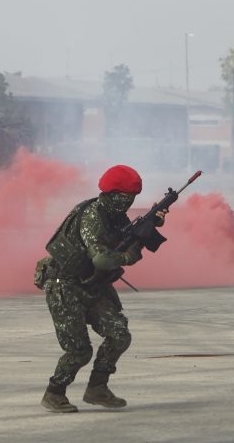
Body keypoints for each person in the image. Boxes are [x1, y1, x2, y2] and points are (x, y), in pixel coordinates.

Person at [36, 164, 167, 413]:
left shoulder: (115, 215)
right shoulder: (92, 216)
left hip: (93, 283)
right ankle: (54, 392)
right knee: (79, 351)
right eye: (126, 198)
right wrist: (128, 258)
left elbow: (124, 239)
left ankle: (97, 388)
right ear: (113, 195)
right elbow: (102, 260)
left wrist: (149, 229)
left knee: (119, 334)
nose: (128, 204)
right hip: (65, 283)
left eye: (132, 199)